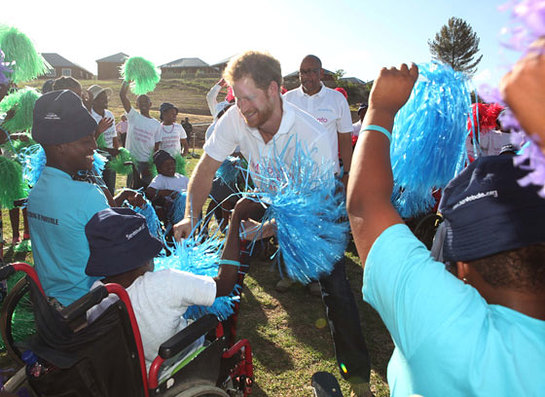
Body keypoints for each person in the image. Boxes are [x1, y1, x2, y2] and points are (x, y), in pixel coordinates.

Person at [173, 51, 371, 397]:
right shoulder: (235, 118)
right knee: (230, 263)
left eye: (249, 98)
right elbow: (204, 170)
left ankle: (358, 379)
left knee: (336, 290)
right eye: (237, 97)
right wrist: (191, 214)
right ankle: (217, 363)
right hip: (266, 195)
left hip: (314, 212)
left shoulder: (312, 137)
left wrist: (265, 231)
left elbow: (311, 211)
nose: (242, 107)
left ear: (274, 90)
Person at [347, 63, 545, 396]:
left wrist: (380, 109)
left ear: (461, 270)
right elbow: (367, 205)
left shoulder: (444, 325)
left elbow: (365, 204)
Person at [85, 198, 264, 368]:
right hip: (177, 365)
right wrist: (236, 219)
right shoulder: (165, 283)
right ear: (144, 258)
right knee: (213, 321)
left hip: (136, 373)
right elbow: (224, 284)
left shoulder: (96, 295)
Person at [27, 90, 142, 307]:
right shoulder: (87, 195)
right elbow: (120, 259)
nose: (94, 146)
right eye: (85, 140)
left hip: (52, 307)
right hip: (90, 308)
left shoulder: (36, 192)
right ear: (59, 146)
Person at [284, 55, 353, 186]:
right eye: (303, 72)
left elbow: (345, 139)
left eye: (312, 71)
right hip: (295, 180)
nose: (307, 76)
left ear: (321, 73)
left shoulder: (337, 99)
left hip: (328, 178)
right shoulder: (286, 100)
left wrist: (347, 173)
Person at [120, 81, 161, 188]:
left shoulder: (156, 124)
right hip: (133, 161)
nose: (143, 104)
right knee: (131, 189)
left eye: (145, 101)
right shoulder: (133, 116)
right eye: (140, 102)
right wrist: (126, 81)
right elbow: (122, 95)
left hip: (148, 162)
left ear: (150, 104)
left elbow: (157, 146)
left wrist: (151, 163)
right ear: (136, 104)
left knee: (148, 189)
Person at [88, 84, 118, 194]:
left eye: (105, 97)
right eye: (101, 97)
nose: (105, 99)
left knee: (110, 188)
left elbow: (114, 134)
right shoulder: (89, 116)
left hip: (111, 157)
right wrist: (99, 130)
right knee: (99, 188)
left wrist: (117, 150)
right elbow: (88, 142)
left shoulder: (109, 114)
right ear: (94, 101)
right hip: (97, 159)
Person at [145, 150, 189, 223]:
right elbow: (149, 191)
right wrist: (168, 193)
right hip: (173, 208)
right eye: (166, 165)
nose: (170, 167)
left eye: (172, 164)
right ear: (159, 169)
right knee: (183, 198)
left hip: (188, 206)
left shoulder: (182, 178)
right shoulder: (160, 178)